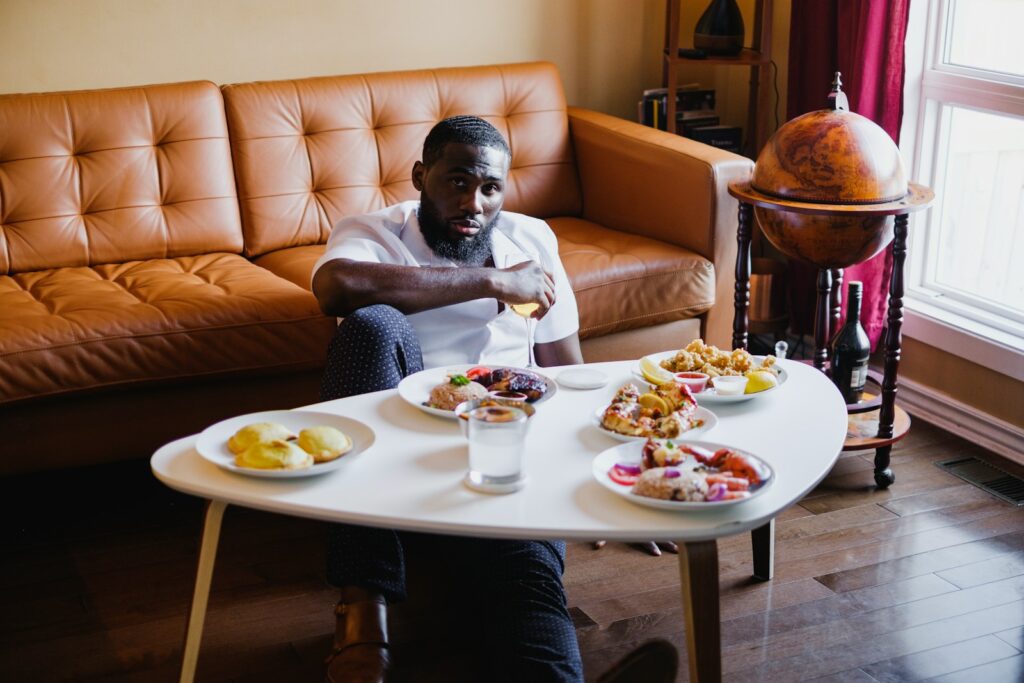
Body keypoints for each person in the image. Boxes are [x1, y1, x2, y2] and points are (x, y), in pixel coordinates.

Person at [312, 116, 674, 682]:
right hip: (391, 467)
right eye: (456, 182)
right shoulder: (373, 234)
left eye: (490, 187)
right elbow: (335, 289)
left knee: (526, 587)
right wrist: (494, 282)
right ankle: (363, 610)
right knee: (372, 325)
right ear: (419, 177)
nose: (474, 203)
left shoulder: (532, 241)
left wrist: (615, 479)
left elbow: (566, 373)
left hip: (504, 454)